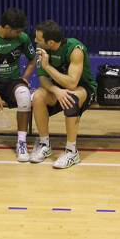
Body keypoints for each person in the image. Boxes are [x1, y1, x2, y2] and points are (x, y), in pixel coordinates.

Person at [31, 20, 96, 169]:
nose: (35, 41)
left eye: (39, 39)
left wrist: (47, 66)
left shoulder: (75, 50)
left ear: (51, 42)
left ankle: (72, 151)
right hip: (58, 88)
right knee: (38, 97)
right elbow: (42, 79)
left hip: (83, 87)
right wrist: (56, 90)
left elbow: (73, 84)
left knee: (71, 99)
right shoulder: (41, 49)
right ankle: (44, 144)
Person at [0, 8, 36, 162]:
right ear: (6, 28)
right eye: (17, 31)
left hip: (12, 82)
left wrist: (25, 77)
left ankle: (21, 143)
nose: (20, 34)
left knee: (24, 96)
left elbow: (32, 60)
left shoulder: (23, 39)